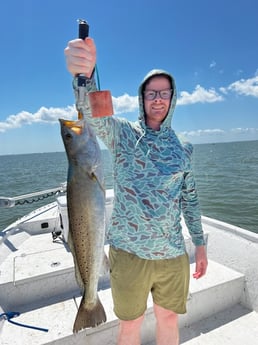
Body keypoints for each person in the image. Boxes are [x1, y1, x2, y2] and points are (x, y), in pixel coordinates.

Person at [64, 37, 208, 345]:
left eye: (164, 93)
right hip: (129, 255)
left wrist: (200, 243)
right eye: (151, 93)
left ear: (173, 99)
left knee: (168, 320)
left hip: (172, 255)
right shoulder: (123, 135)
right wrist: (85, 76)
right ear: (142, 98)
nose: (158, 99)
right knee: (130, 327)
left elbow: (190, 200)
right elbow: (93, 116)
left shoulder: (183, 149)